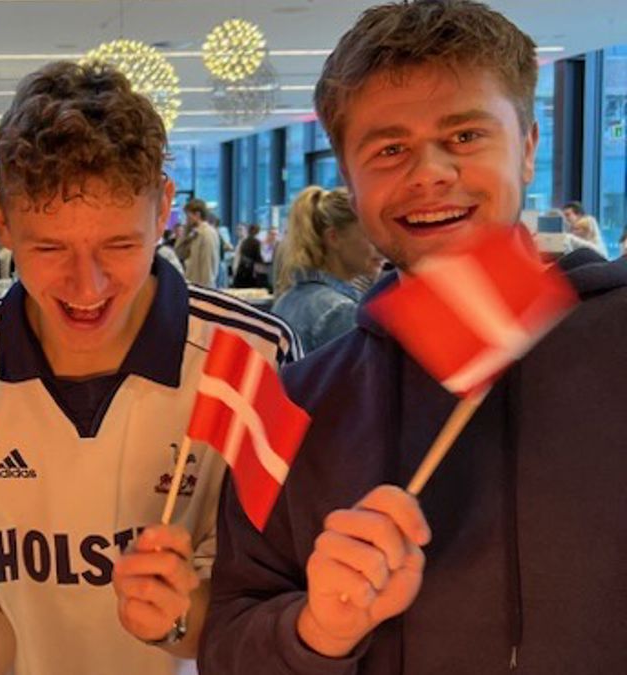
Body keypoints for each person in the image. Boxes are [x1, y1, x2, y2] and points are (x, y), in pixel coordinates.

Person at [201, 2, 627, 673]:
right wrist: (316, 630)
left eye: (465, 135)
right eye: (389, 149)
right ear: (349, 181)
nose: (429, 172)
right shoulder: (295, 403)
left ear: (527, 147)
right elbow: (229, 638)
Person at [0, 60, 300, 675]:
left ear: (163, 208)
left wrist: (180, 616)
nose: (86, 286)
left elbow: (280, 601)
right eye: (49, 247)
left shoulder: (254, 359)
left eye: (120, 245)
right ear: (1, 220)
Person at [270, 186, 383, 352]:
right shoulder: (339, 311)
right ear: (334, 238)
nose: (381, 245)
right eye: (370, 234)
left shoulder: (286, 300)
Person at [179, 198, 221, 287]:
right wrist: (185, 232)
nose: (186, 220)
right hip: (193, 285)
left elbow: (208, 267)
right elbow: (179, 253)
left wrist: (205, 291)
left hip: (202, 288)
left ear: (197, 215)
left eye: (188, 216)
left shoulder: (207, 234)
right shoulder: (195, 234)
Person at [232, 225, 266, 289]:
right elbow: (259, 258)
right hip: (251, 271)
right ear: (257, 232)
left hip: (242, 270)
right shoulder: (257, 242)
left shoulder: (244, 241)